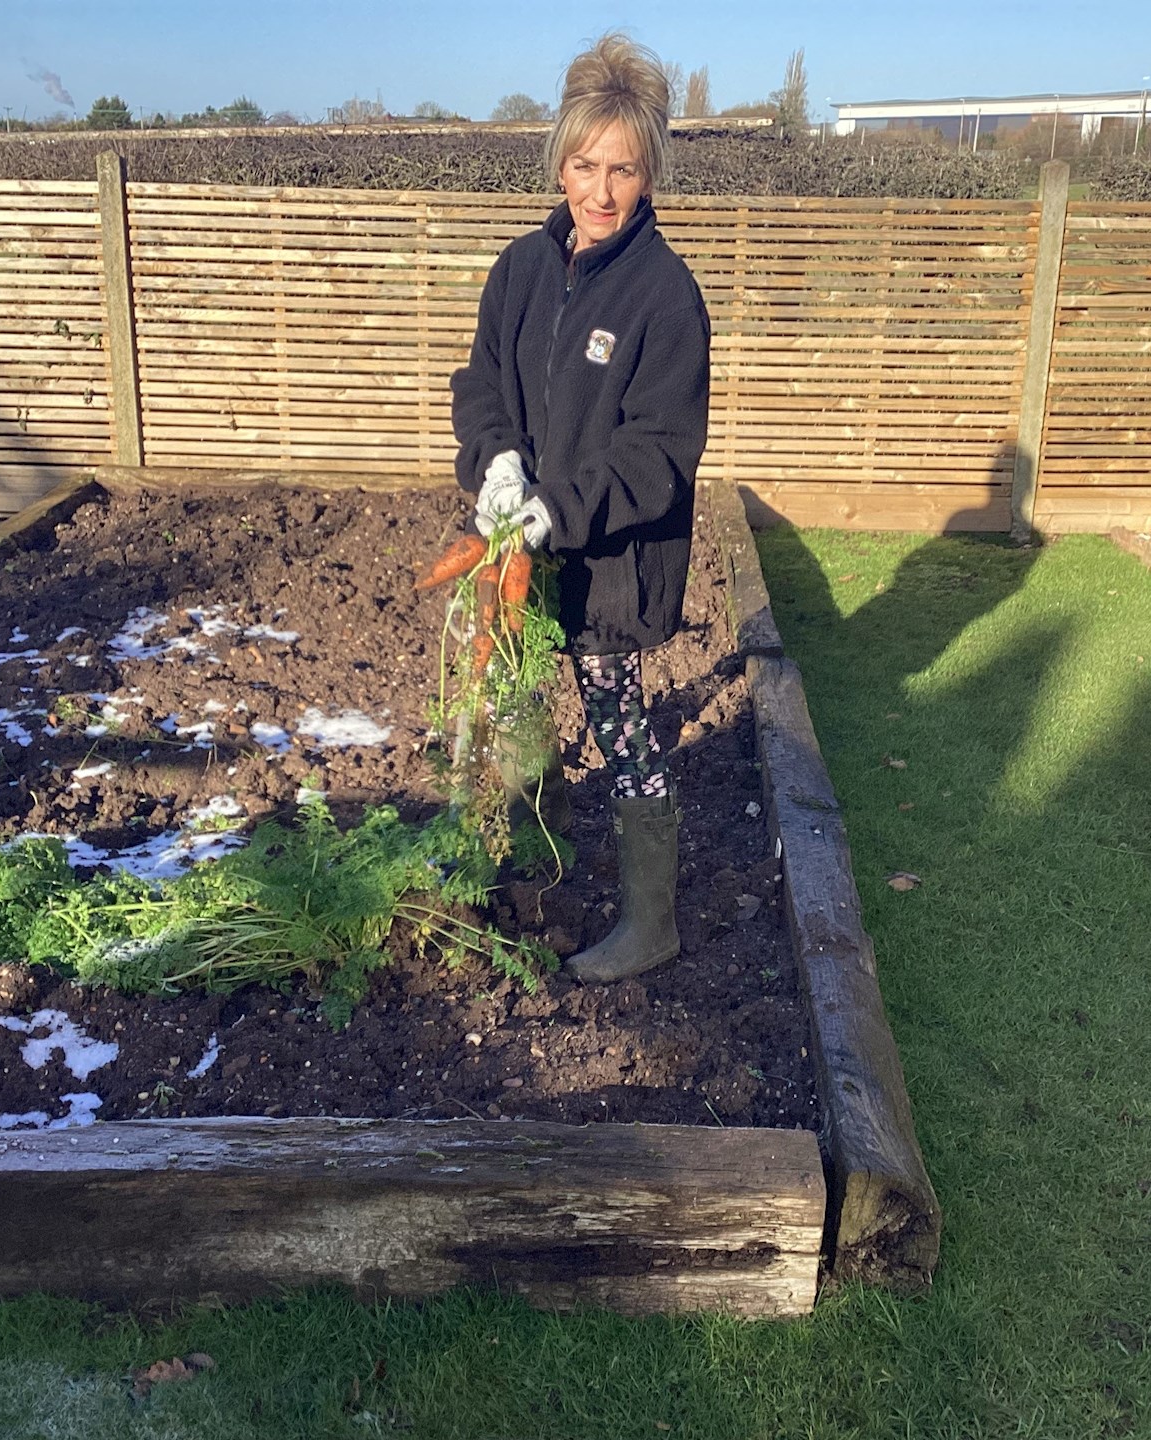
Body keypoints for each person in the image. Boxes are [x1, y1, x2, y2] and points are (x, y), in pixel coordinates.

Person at [450, 32, 711, 984]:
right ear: (559, 160)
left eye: (624, 170)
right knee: (518, 701)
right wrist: (498, 466)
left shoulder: (665, 298)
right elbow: (478, 384)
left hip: (606, 558)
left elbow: (660, 454)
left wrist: (560, 508)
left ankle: (652, 923)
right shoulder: (520, 269)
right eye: (585, 164)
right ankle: (537, 858)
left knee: (621, 727)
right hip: (517, 547)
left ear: (650, 175)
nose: (600, 192)